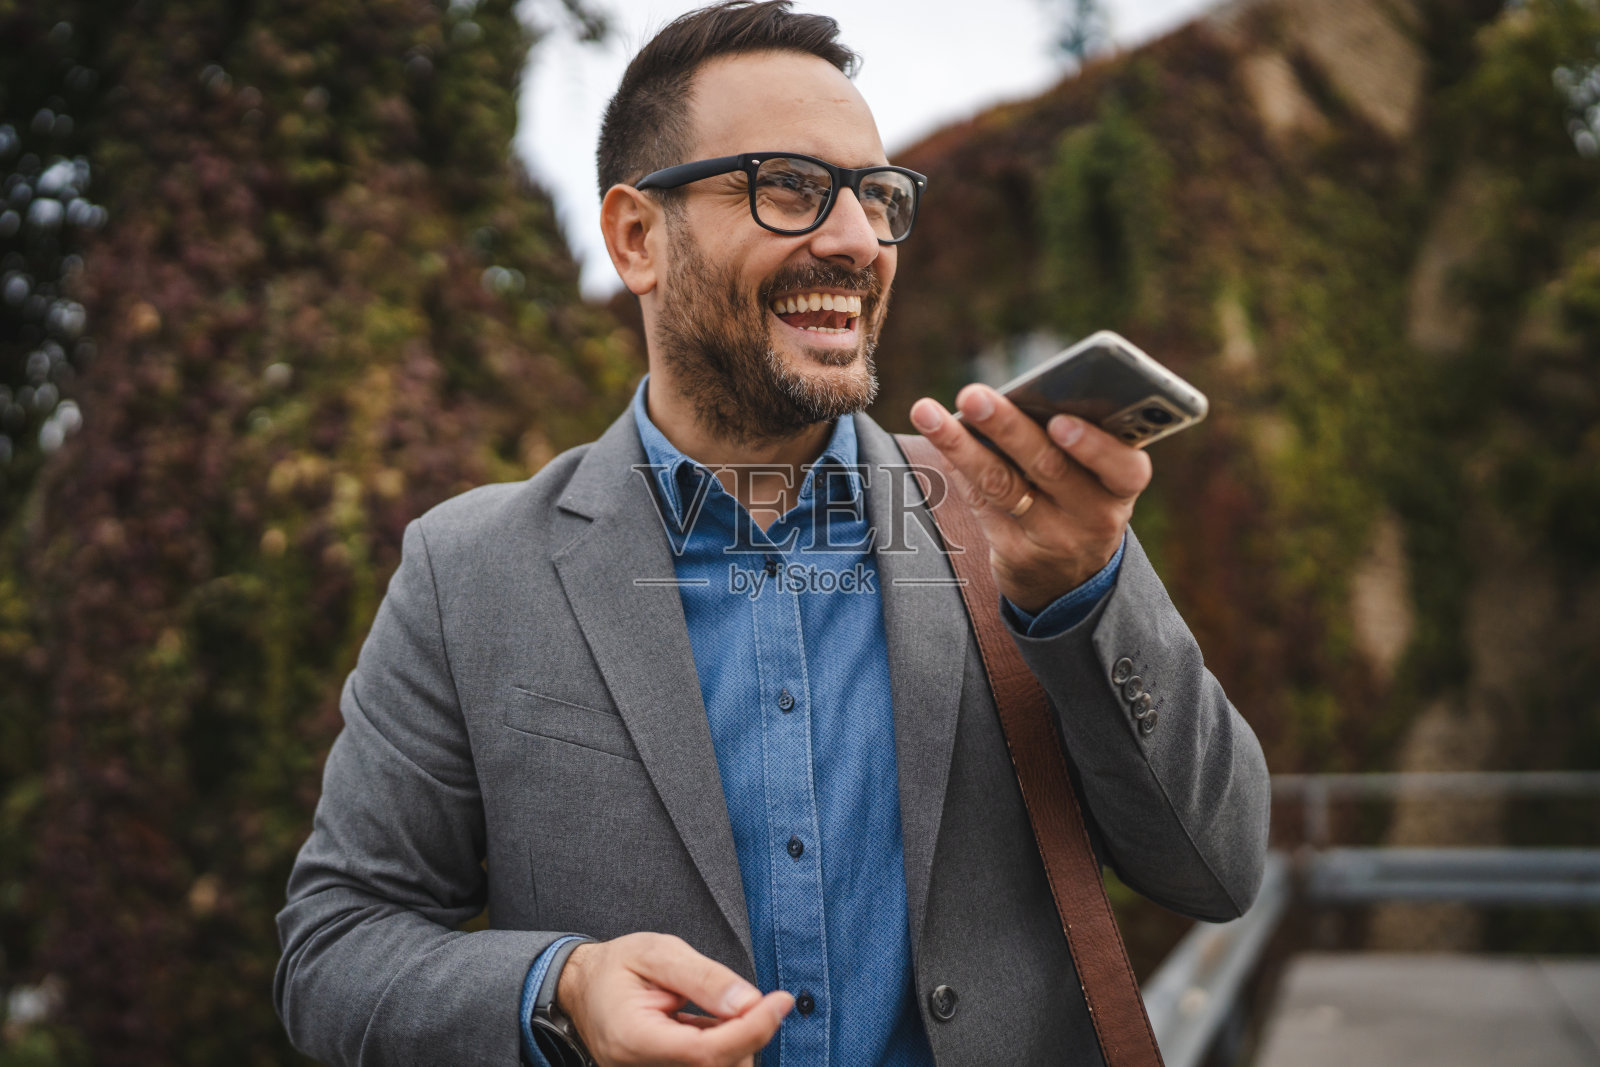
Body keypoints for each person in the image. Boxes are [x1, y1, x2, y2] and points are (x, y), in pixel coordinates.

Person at [273, 3, 1271, 1065]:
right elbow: (333, 951)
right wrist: (561, 984)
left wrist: (1083, 592)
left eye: (876, 196)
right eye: (787, 186)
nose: (854, 241)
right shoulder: (467, 570)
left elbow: (1216, 870)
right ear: (635, 237)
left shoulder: (1018, 516)